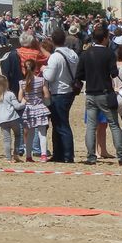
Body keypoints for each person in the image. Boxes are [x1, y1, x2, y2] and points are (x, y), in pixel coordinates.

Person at [75, 25, 122, 165]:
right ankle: (121, 154)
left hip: (90, 92)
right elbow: (114, 73)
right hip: (105, 92)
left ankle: (91, 156)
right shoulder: (109, 53)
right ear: (105, 38)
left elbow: (80, 75)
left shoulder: (86, 53)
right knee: (113, 124)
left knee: (91, 126)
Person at [42, 28, 78, 163]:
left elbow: (50, 77)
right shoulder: (72, 53)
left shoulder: (55, 57)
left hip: (59, 92)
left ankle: (67, 155)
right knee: (59, 124)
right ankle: (59, 153)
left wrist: (44, 69)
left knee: (61, 124)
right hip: (69, 90)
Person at [18, 58, 51, 163]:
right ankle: (44, 155)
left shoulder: (22, 83)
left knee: (29, 134)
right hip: (40, 108)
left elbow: (20, 98)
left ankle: (28, 156)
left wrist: (26, 100)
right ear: (35, 68)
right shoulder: (41, 80)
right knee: (42, 133)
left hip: (29, 109)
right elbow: (46, 95)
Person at [0, 74, 25, 163]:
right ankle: (16, 154)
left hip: (2, 120)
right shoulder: (10, 94)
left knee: (7, 139)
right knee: (18, 135)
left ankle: (8, 158)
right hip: (12, 118)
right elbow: (17, 106)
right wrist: (23, 102)